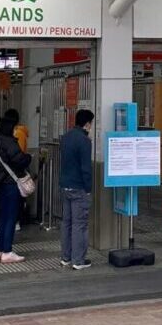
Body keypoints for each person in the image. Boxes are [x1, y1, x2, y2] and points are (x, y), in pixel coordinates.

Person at [0, 108, 32, 264]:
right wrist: (28, 157)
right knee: (11, 217)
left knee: (3, 217)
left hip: (0, 182)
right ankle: (7, 251)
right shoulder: (7, 140)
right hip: (10, 183)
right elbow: (19, 159)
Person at [59, 109, 95, 270]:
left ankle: (65, 257)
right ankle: (78, 260)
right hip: (79, 187)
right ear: (87, 124)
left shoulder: (66, 137)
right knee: (79, 224)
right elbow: (86, 168)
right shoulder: (84, 141)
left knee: (66, 223)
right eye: (91, 124)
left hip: (65, 185)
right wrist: (88, 189)